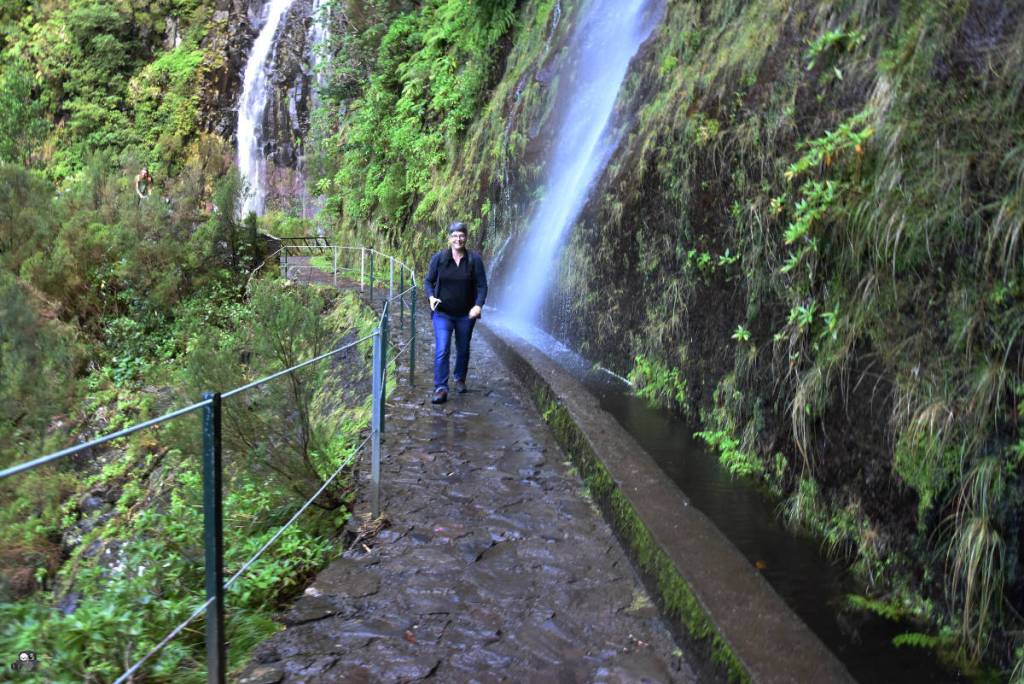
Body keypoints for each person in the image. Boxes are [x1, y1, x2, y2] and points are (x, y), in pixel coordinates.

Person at [424, 221, 488, 404]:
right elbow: (428, 281)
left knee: (463, 347)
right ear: (449, 238)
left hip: (466, 315)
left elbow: (482, 285)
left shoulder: (474, 260)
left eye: (461, 235)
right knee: (442, 348)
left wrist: (478, 305)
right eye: (454, 236)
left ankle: (459, 377)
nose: (458, 239)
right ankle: (441, 388)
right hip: (442, 313)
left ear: (466, 237)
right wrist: (430, 297)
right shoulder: (439, 259)